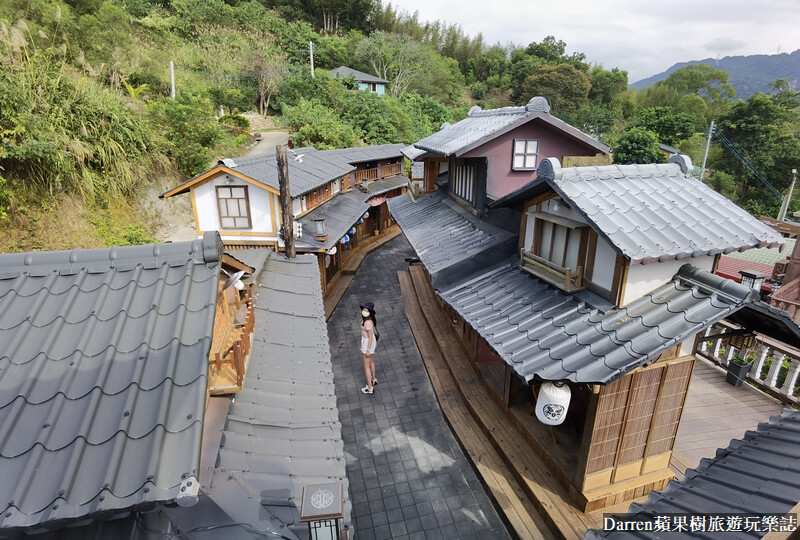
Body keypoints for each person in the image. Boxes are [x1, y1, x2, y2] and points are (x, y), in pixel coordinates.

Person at [360, 301, 378, 394]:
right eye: (364, 309)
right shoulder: (370, 320)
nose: (364, 311)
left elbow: (370, 336)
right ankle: (373, 379)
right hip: (370, 342)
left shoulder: (367, 322)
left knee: (366, 366)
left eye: (366, 310)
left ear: (370, 312)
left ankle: (370, 388)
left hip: (367, 342)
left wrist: (367, 350)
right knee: (371, 361)